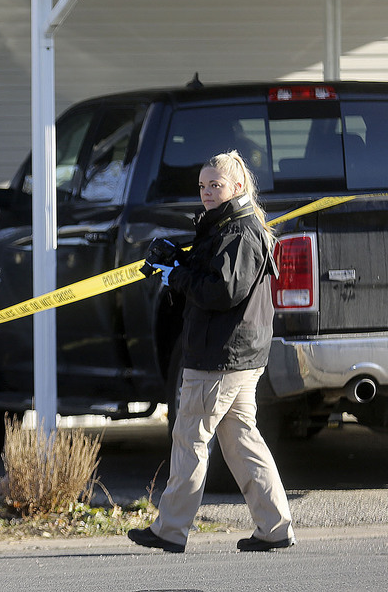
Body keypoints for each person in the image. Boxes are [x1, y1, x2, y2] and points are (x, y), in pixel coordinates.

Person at [128, 149, 295, 554]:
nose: (206, 192)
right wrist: (179, 256)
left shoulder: (238, 231)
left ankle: (170, 529)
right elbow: (215, 272)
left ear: (237, 186)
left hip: (220, 356)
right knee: (241, 441)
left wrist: (175, 275)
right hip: (235, 354)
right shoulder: (228, 227)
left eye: (215, 185)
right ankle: (275, 528)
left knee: (189, 439)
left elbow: (222, 291)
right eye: (202, 185)